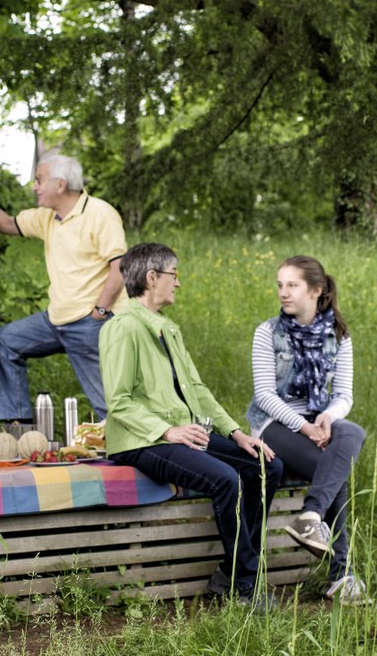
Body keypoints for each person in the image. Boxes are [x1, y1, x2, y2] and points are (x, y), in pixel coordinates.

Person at [100, 243, 282, 610]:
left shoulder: (168, 330)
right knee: (225, 479)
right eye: (174, 274)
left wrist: (236, 433)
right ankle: (245, 587)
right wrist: (168, 432)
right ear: (152, 278)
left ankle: (231, 573)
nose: (178, 283)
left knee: (266, 466)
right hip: (141, 440)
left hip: (182, 434)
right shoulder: (123, 328)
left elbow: (197, 390)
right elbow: (118, 402)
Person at [0, 154, 126, 422]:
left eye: (40, 180)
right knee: (5, 341)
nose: (35, 186)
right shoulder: (47, 218)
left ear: (61, 184)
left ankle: (133, 450)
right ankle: (18, 425)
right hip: (56, 320)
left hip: (91, 322)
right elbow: (7, 224)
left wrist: (100, 311)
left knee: (108, 406)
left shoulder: (99, 213)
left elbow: (120, 265)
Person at [246, 255, 369, 606]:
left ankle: (310, 516)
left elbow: (344, 396)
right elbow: (265, 396)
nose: (283, 293)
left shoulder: (339, 336)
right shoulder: (267, 332)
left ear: (315, 290)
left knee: (352, 433)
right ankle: (342, 575)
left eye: (292, 285)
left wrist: (326, 419)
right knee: (334, 468)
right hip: (274, 425)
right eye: (280, 285)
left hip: (318, 420)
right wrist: (303, 426)